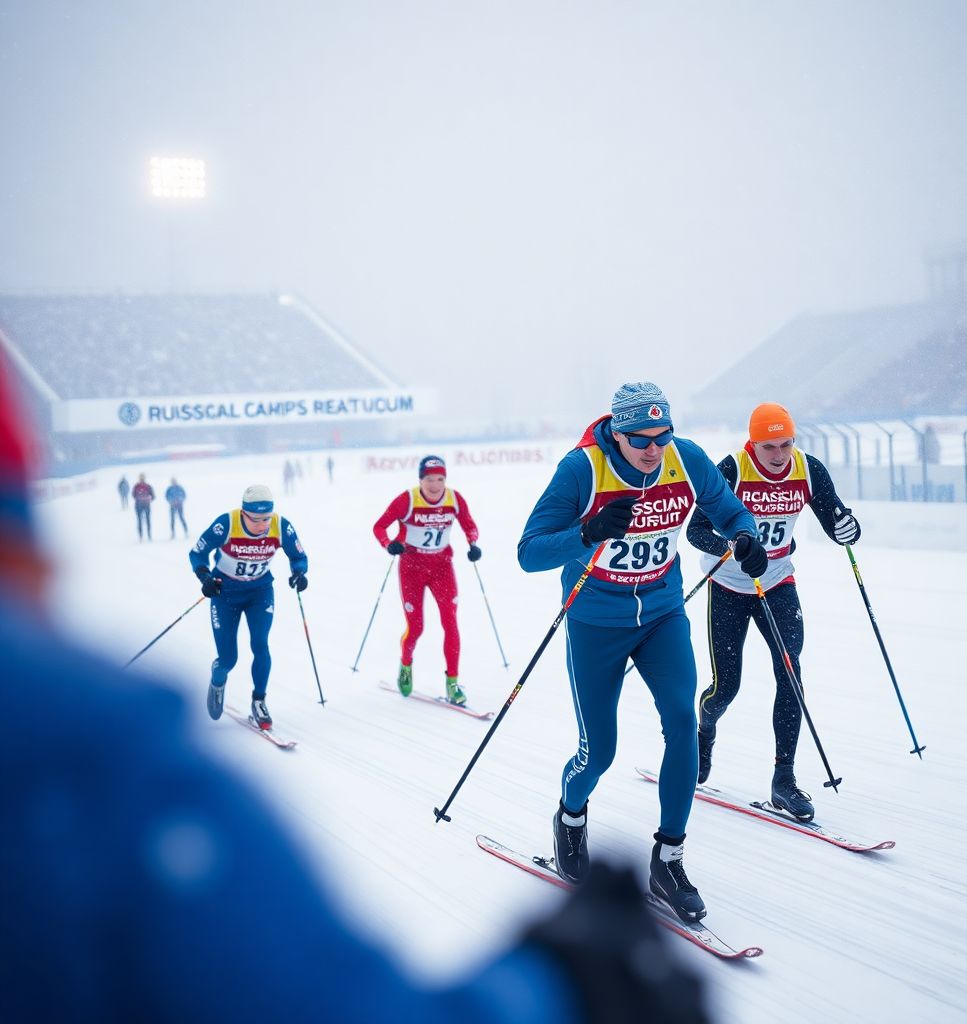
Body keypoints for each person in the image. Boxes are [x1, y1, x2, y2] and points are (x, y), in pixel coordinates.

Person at [1, 355, 711, 1024]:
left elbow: (341, 539)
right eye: (642, 436)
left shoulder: (433, 499)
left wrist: (444, 546)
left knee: (448, 632)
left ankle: (441, 679)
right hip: (357, 584)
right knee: (271, 649)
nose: (433, 487)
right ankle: (297, 678)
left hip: (485, 583)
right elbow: (383, 529)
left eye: (662, 436)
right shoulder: (98, 750)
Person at [518, 382, 763, 923]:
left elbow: (729, 510)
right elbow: (528, 553)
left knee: (682, 721)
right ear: (616, 431)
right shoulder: (581, 469)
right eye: (640, 438)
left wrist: (745, 537)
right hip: (595, 621)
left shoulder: (685, 457)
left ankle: (668, 857)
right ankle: (571, 817)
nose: (653, 448)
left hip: (661, 613)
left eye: (662, 435)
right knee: (599, 750)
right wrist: (587, 532)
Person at [686, 402, 862, 822]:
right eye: (769, 447)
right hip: (729, 586)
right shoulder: (732, 469)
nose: (779, 454)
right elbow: (696, 529)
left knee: (791, 675)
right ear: (753, 443)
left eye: (787, 443)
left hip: (779, 584)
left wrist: (848, 529)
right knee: (725, 687)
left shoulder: (808, 469)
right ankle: (704, 732)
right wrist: (733, 547)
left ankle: (784, 780)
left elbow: (834, 519)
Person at [188, 484, 308, 729]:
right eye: (256, 520)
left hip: (259, 592)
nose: (263, 525)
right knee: (228, 658)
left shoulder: (281, 525)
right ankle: (218, 680)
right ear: (244, 513)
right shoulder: (227, 523)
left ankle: (259, 701)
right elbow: (197, 553)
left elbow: (298, 556)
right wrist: (204, 577)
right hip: (225, 595)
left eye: (267, 518)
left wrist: (299, 573)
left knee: (260, 644)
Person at [372, 455, 481, 706]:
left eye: (440, 479)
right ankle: (406, 664)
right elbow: (379, 527)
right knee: (416, 627)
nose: (435, 485)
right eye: (429, 479)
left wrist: (473, 544)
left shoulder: (454, 498)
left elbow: (469, 525)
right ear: (420, 479)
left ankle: (452, 683)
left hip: (442, 567)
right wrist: (389, 545)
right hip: (412, 568)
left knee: (450, 622)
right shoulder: (407, 500)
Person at [131, 472, 155, 541]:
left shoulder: (143, 486)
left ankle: (147, 535)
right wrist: (146, 498)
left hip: (142, 505)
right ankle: (143, 535)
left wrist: (142, 498)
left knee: (143, 520)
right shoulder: (142, 486)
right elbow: (153, 496)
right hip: (142, 505)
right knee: (142, 520)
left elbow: (133, 495)